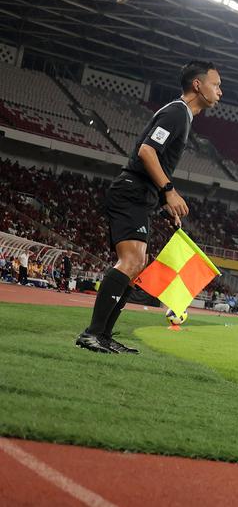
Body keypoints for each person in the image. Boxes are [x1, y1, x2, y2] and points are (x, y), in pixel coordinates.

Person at [75, 61, 222, 353]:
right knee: (130, 262)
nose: (220, 91)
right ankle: (92, 333)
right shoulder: (177, 112)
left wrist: (164, 201)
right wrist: (169, 191)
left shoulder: (183, 116)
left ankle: (103, 335)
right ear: (197, 85)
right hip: (131, 192)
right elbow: (146, 151)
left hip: (142, 195)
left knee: (137, 265)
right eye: (216, 85)